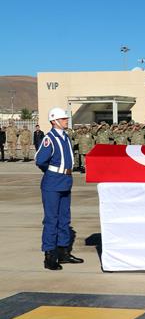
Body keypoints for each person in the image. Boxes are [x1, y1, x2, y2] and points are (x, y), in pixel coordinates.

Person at [35, 108, 84, 270]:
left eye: (66, 118)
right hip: (52, 183)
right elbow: (40, 160)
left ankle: (63, 252)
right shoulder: (49, 138)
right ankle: (49, 256)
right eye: (63, 119)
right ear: (54, 121)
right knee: (51, 219)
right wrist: (51, 172)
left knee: (64, 218)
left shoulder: (65, 136)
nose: (66, 120)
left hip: (65, 181)